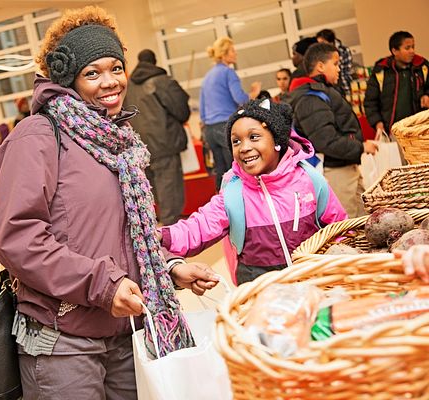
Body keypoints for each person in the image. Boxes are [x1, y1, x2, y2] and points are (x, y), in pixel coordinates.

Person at [0, 6, 219, 399]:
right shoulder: (39, 136)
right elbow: (17, 238)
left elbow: (124, 232)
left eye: (116, 67)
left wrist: (167, 267)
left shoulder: (119, 140)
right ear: (69, 79)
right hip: (63, 340)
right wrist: (103, 284)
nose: (110, 82)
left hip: (124, 330)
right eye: (92, 73)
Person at [158, 98, 347, 285]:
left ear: (277, 140)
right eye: (236, 141)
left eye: (254, 137)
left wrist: (344, 264)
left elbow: (339, 225)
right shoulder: (234, 193)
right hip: (260, 292)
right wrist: (163, 236)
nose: (244, 147)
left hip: (314, 283)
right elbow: (199, 226)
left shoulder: (309, 180)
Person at [288, 43, 378, 218]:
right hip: (335, 171)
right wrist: (360, 147)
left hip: (344, 166)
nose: (339, 69)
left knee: (363, 220)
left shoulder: (322, 92)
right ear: (320, 66)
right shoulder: (310, 98)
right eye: (335, 64)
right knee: (346, 226)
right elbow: (326, 140)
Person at [123, 48, 190, 225]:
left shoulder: (128, 86)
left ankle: (159, 228)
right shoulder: (162, 81)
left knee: (155, 190)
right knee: (170, 189)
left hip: (139, 146)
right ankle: (170, 232)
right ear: (154, 61)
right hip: (165, 143)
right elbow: (181, 110)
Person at [200, 36, 261, 190]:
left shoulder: (207, 76)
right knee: (236, 169)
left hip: (210, 130)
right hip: (225, 126)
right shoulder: (228, 72)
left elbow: (202, 107)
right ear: (224, 54)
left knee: (220, 170)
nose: (236, 53)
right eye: (233, 50)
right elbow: (239, 98)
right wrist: (253, 94)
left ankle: (221, 205)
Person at [363, 31, 429, 139]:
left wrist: (427, 94)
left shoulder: (422, 66)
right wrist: (377, 122)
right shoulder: (381, 71)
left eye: (413, 47)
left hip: (419, 129)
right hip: (393, 130)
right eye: (407, 48)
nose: (412, 51)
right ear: (394, 51)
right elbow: (370, 102)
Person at [316, 29, 354, 97]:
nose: (321, 46)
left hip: (344, 87)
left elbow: (345, 72)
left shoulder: (343, 51)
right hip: (330, 89)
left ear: (331, 42)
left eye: (323, 42)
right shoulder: (320, 54)